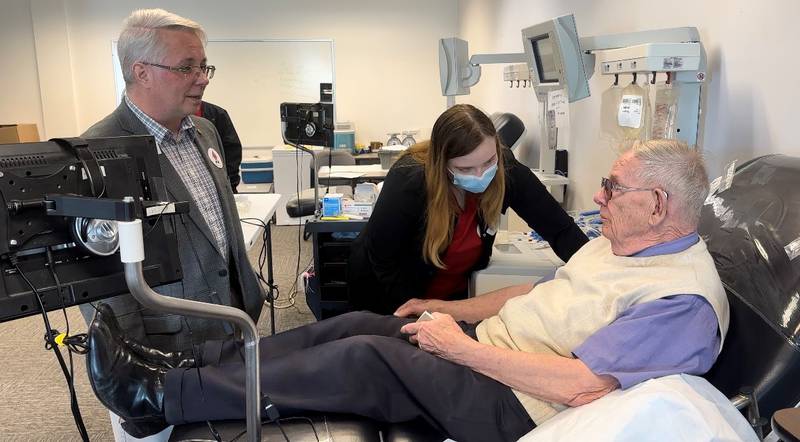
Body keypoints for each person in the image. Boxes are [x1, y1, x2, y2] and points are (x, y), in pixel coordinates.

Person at [87, 139, 729, 441]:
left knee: (366, 357)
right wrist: (446, 310)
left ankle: (158, 395)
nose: (599, 197)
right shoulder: (616, 244)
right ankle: (187, 365)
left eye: (614, 189)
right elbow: (530, 297)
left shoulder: (680, 302)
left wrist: (461, 348)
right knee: (355, 325)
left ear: (659, 203)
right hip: (497, 354)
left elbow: (580, 385)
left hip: (518, 405)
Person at [79, 9, 263, 352]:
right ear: (142, 73)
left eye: (204, 66)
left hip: (235, 319)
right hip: (172, 343)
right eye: (185, 67)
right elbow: (100, 280)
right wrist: (133, 359)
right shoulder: (98, 153)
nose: (203, 78)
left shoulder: (205, 131)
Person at [348, 104, 588, 314]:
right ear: (442, 163)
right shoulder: (409, 180)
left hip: (450, 297)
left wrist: (600, 272)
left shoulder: (506, 170)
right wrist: (417, 313)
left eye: (488, 162)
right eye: (465, 169)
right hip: (386, 293)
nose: (481, 175)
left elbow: (560, 229)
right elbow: (383, 259)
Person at [196, 101, 243, 191]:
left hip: (222, 184)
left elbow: (232, 150)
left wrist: (229, 184)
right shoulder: (170, 117)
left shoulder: (216, 114)